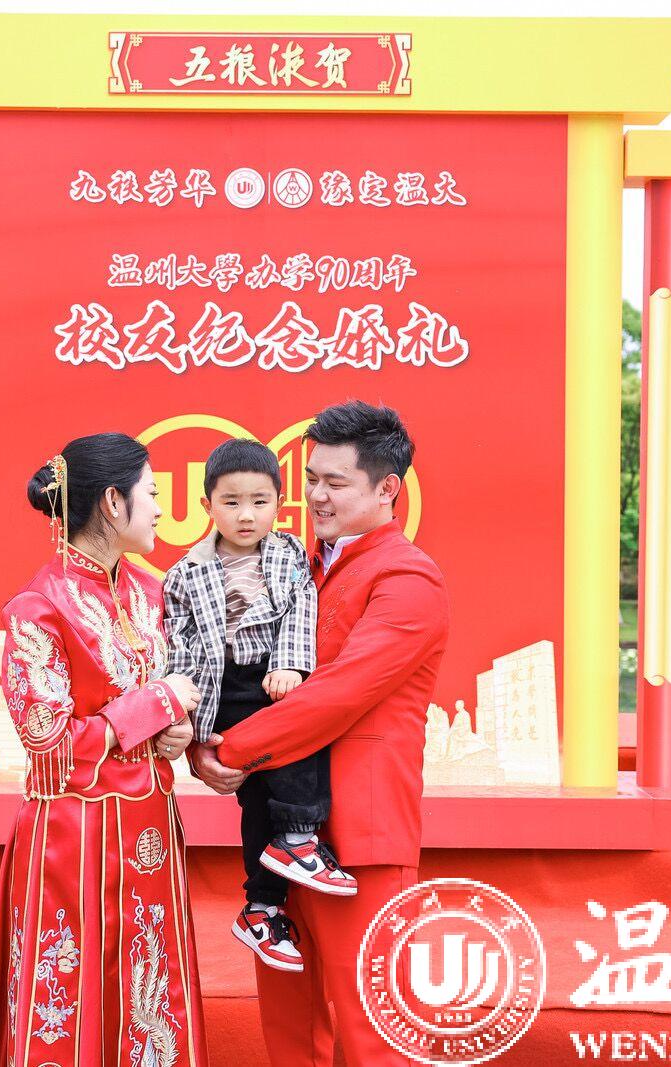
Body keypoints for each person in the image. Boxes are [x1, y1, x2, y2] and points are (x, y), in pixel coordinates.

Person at [190, 401, 450, 1067]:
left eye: (336, 482)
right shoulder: (286, 566)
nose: (315, 496)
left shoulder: (407, 577)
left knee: (374, 1033)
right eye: (310, 478)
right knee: (289, 1028)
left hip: (359, 838)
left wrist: (228, 750)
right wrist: (196, 734)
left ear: (387, 488)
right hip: (281, 834)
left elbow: (338, 695)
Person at [0, 432, 210, 1067]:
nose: (161, 509)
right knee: (71, 999)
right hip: (74, 838)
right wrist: (154, 705)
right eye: (152, 493)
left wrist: (176, 731)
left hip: (150, 830)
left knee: (151, 993)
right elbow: (48, 745)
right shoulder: (37, 608)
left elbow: (166, 706)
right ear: (112, 503)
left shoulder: (150, 593)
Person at [162, 439, 355, 976]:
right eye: (231, 502)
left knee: (289, 763)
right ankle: (272, 887)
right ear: (207, 506)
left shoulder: (289, 553)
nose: (245, 515)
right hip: (222, 688)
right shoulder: (185, 572)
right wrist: (191, 719)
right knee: (257, 793)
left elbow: (300, 608)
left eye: (259, 501)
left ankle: (276, 882)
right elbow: (181, 647)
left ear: (279, 504)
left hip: (273, 677)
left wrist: (290, 665)